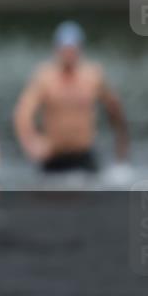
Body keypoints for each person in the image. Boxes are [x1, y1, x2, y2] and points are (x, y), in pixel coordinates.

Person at [13, 21, 130, 180]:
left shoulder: (92, 76)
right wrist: (31, 144)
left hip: (84, 155)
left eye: (72, 48)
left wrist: (121, 146)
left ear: (80, 49)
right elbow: (23, 114)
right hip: (53, 156)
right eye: (65, 48)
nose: (68, 53)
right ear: (57, 49)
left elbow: (115, 110)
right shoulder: (45, 78)